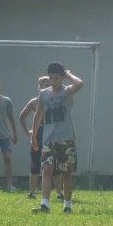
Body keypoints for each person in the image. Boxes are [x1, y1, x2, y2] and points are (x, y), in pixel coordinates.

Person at [31, 62, 83, 214]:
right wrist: (34, 136)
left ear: (62, 78)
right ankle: (45, 204)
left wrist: (68, 74)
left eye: (57, 78)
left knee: (66, 173)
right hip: (49, 139)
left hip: (66, 138)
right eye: (51, 78)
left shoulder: (67, 91)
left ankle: (67, 205)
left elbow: (80, 83)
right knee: (46, 170)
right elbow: (38, 115)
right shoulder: (44, 94)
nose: (53, 81)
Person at [19, 75, 64, 199]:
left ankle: (59, 193)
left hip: (52, 136)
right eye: (42, 85)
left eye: (47, 85)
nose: (44, 87)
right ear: (38, 87)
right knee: (35, 165)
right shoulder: (34, 102)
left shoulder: (55, 100)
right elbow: (22, 116)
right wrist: (28, 131)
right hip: (38, 136)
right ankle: (32, 192)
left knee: (55, 166)